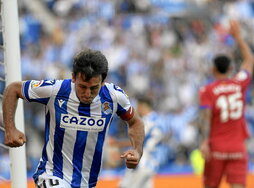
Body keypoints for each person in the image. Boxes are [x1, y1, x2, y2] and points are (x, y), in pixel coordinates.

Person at [3, 49, 145, 188]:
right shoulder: (56, 90)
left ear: (103, 80)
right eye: (82, 87)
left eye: (94, 88)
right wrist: (10, 129)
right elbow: (13, 89)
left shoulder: (114, 97)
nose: (87, 93)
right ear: (73, 77)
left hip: (86, 181)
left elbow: (135, 122)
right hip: (52, 174)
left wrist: (137, 150)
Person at [198, 20, 254, 188]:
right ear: (230, 69)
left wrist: (204, 141)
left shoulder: (207, 90)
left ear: (213, 69)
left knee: (210, 185)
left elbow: (205, 118)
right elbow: (250, 60)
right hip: (238, 148)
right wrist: (238, 38)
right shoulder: (239, 84)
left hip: (217, 148)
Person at [119, 96, 169, 188]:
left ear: (142, 106)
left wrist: (117, 144)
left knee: (125, 185)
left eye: (137, 106)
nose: (136, 109)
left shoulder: (145, 121)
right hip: (153, 162)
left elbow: (138, 139)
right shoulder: (160, 119)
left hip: (142, 162)